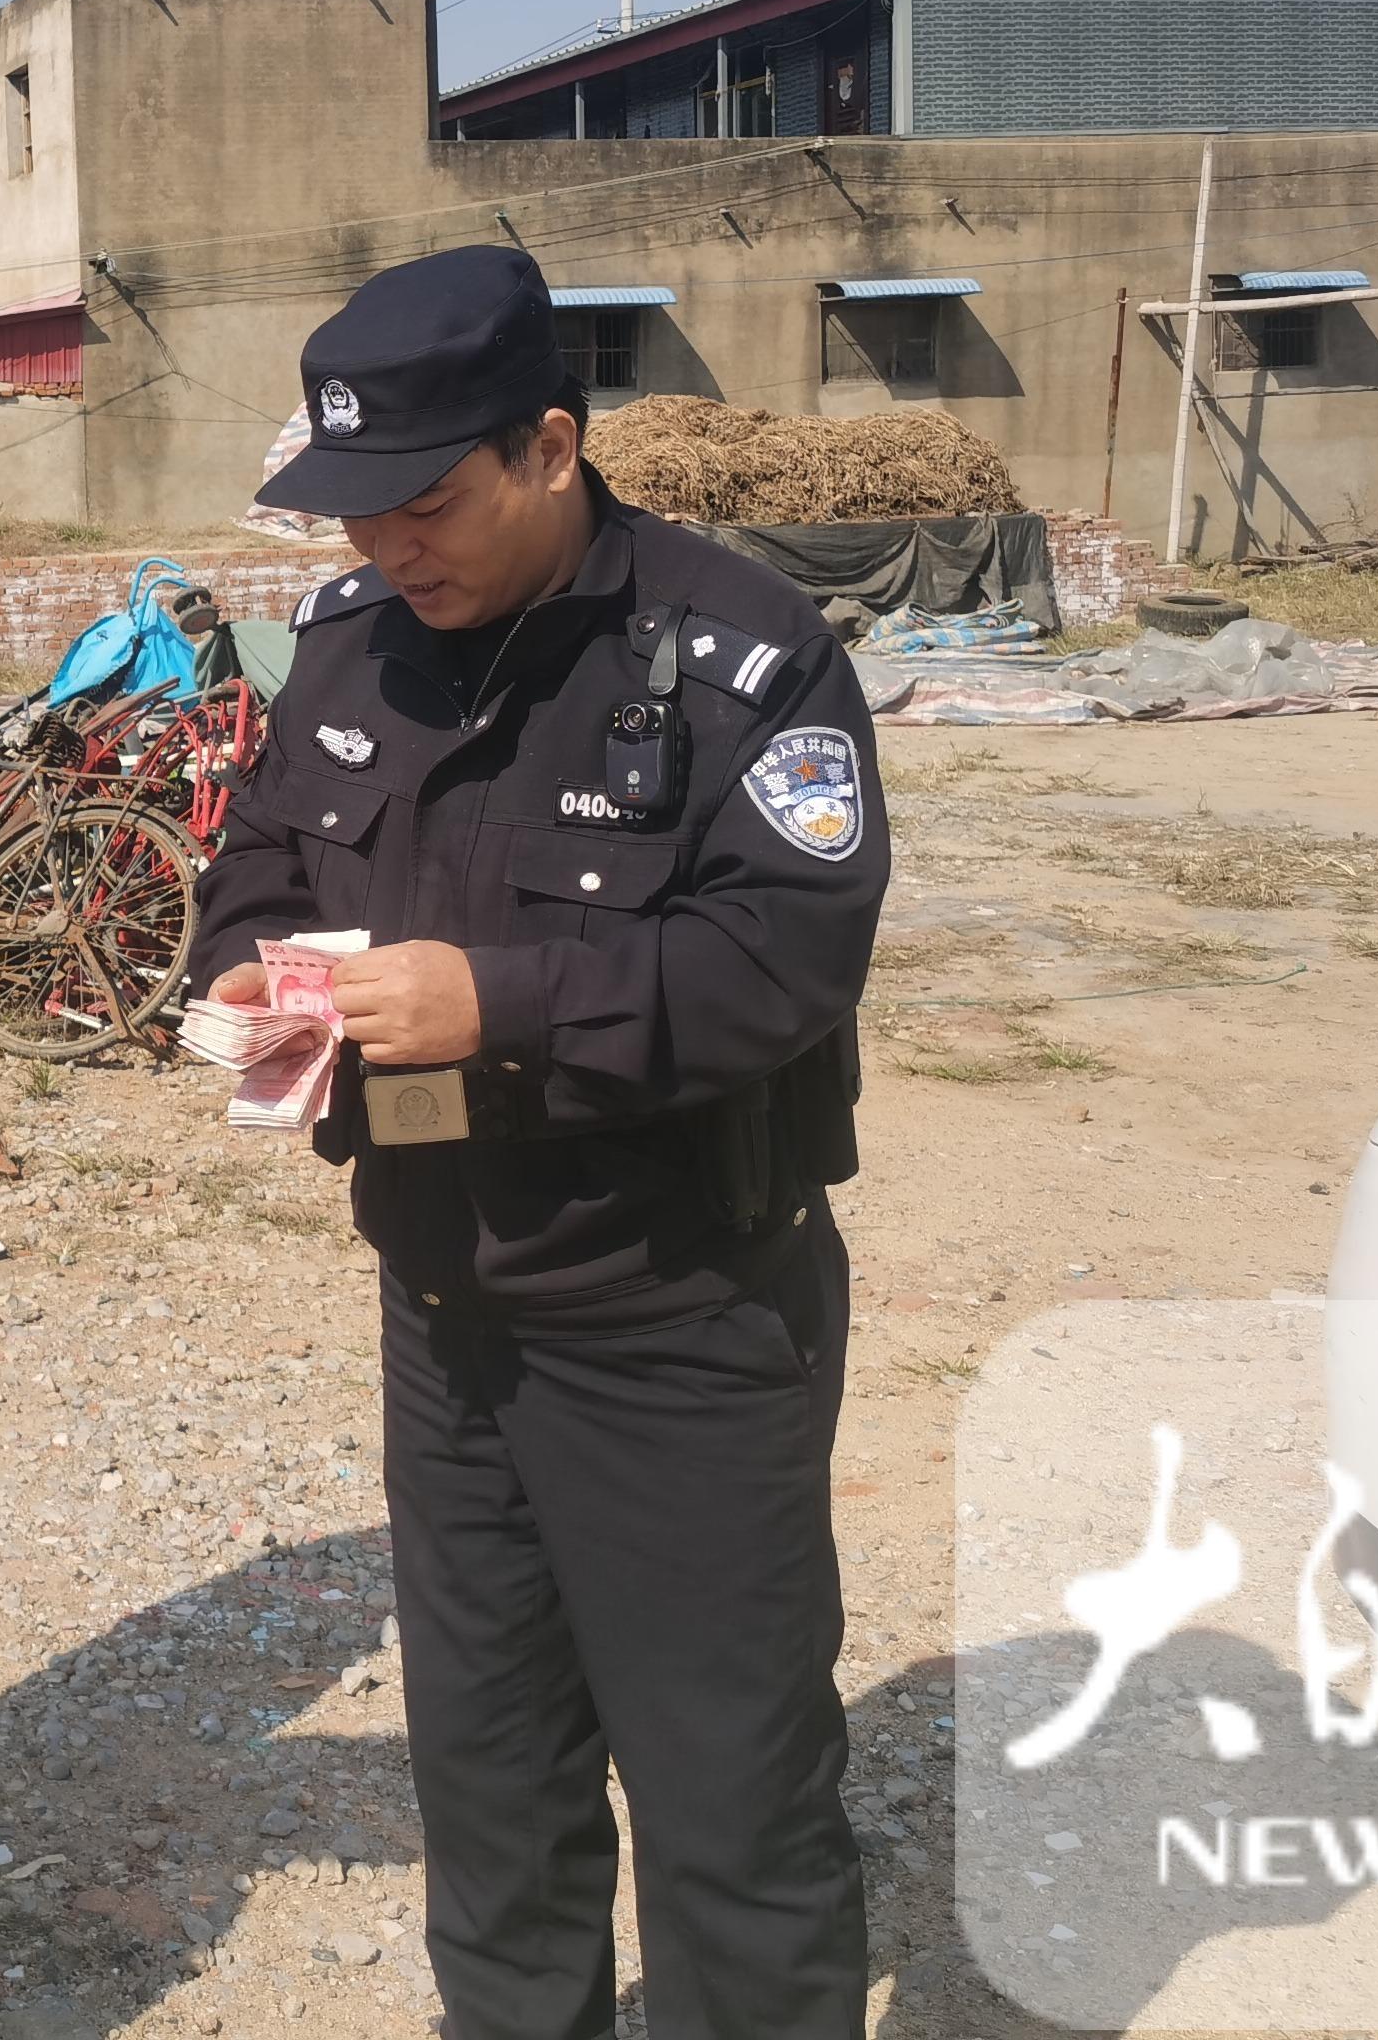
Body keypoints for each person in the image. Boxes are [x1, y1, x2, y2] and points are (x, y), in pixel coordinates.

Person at [187, 245, 887, 2040]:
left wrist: (501, 1002)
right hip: (447, 1311)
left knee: (733, 1807)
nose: (386, 551)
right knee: (492, 1790)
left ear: (552, 448)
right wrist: (255, 984)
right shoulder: (349, 650)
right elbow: (255, 867)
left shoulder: (742, 656)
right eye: (356, 517)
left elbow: (782, 957)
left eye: (426, 505)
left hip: (682, 1320)